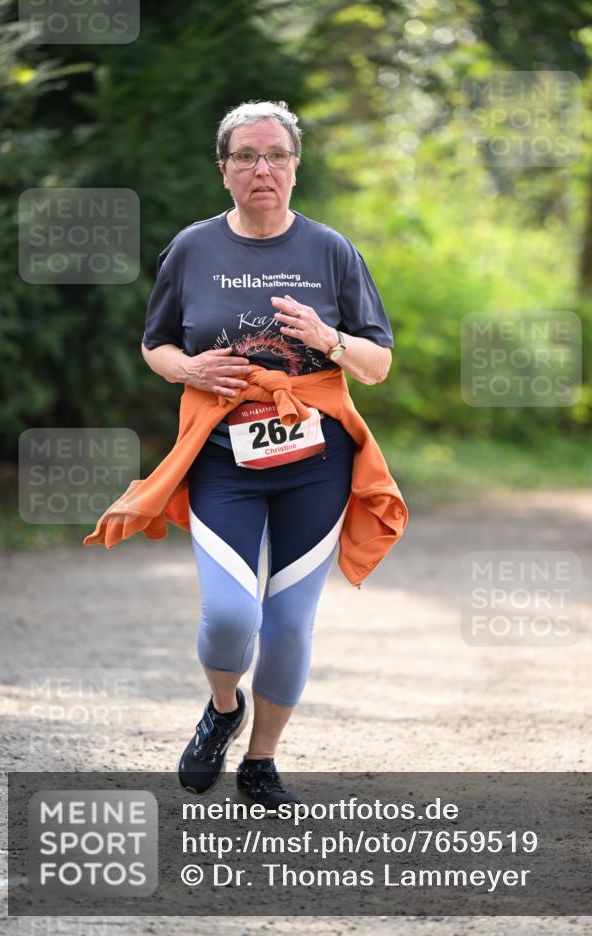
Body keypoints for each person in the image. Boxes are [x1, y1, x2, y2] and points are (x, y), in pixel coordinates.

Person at [138, 100, 397, 809]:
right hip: (223, 460)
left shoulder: (331, 251)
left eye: (276, 155)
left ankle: (261, 759)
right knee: (228, 617)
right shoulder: (191, 248)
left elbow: (375, 365)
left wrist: (328, 339)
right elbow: (155, 344)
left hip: (316, 464)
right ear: (223, 170)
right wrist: (187, 370)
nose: (262, 169)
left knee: (287, 623)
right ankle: (223, 709)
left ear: (294, 167)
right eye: (246, 156)